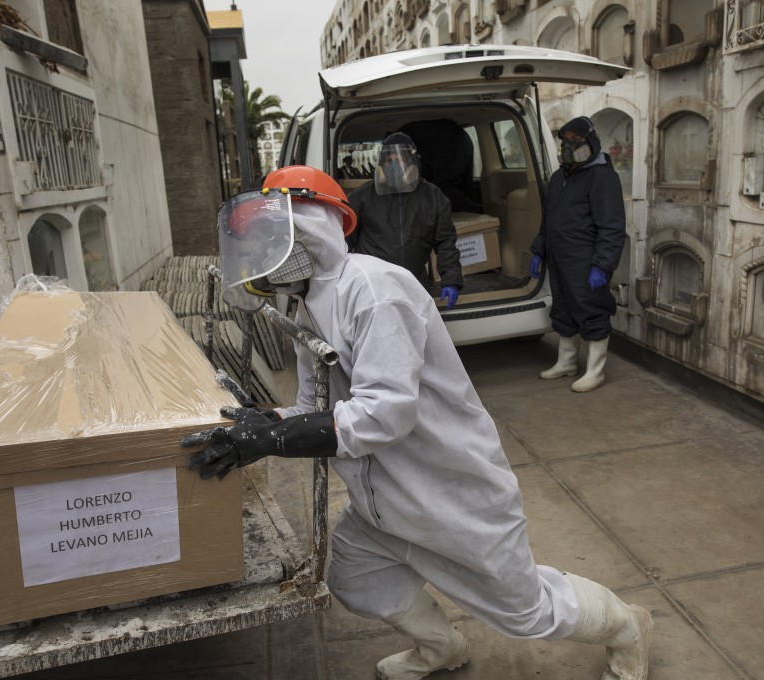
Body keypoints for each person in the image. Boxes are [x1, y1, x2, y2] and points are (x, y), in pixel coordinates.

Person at [183, 165, 653, 680]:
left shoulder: (376, 291)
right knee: (357, 578)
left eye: (277, 235)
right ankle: (441, 648)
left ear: (315, 229)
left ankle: (629, 627)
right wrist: (262, 421)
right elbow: (315, 405)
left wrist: (271, 439)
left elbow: (385, 415)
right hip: (382, 498)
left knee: (526, 612)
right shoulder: (306, 307)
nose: (266, 253)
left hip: (448, 491)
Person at [530, 116, 626, 393]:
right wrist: (538, 250)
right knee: (563, 308)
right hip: (560, 257)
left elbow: (612, 226)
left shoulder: (603, 177)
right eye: (565, 141)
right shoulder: (561, 177)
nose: (569, 146)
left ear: (590, 142)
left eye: (575, 141)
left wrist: (602, 265)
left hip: (585, 259)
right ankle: (567, 363)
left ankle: (595, 372)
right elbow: (548, 219)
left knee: (590, 309)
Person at [347, 132, 463, 310]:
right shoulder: (362, 197)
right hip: (372, 287)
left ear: (412, 162)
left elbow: (446, 242)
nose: (392, 165)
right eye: (388, 160)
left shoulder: (432, 197)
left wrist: (451, 280)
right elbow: (344, 241)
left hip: (415, 284)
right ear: (381, 164)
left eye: (399, 159)